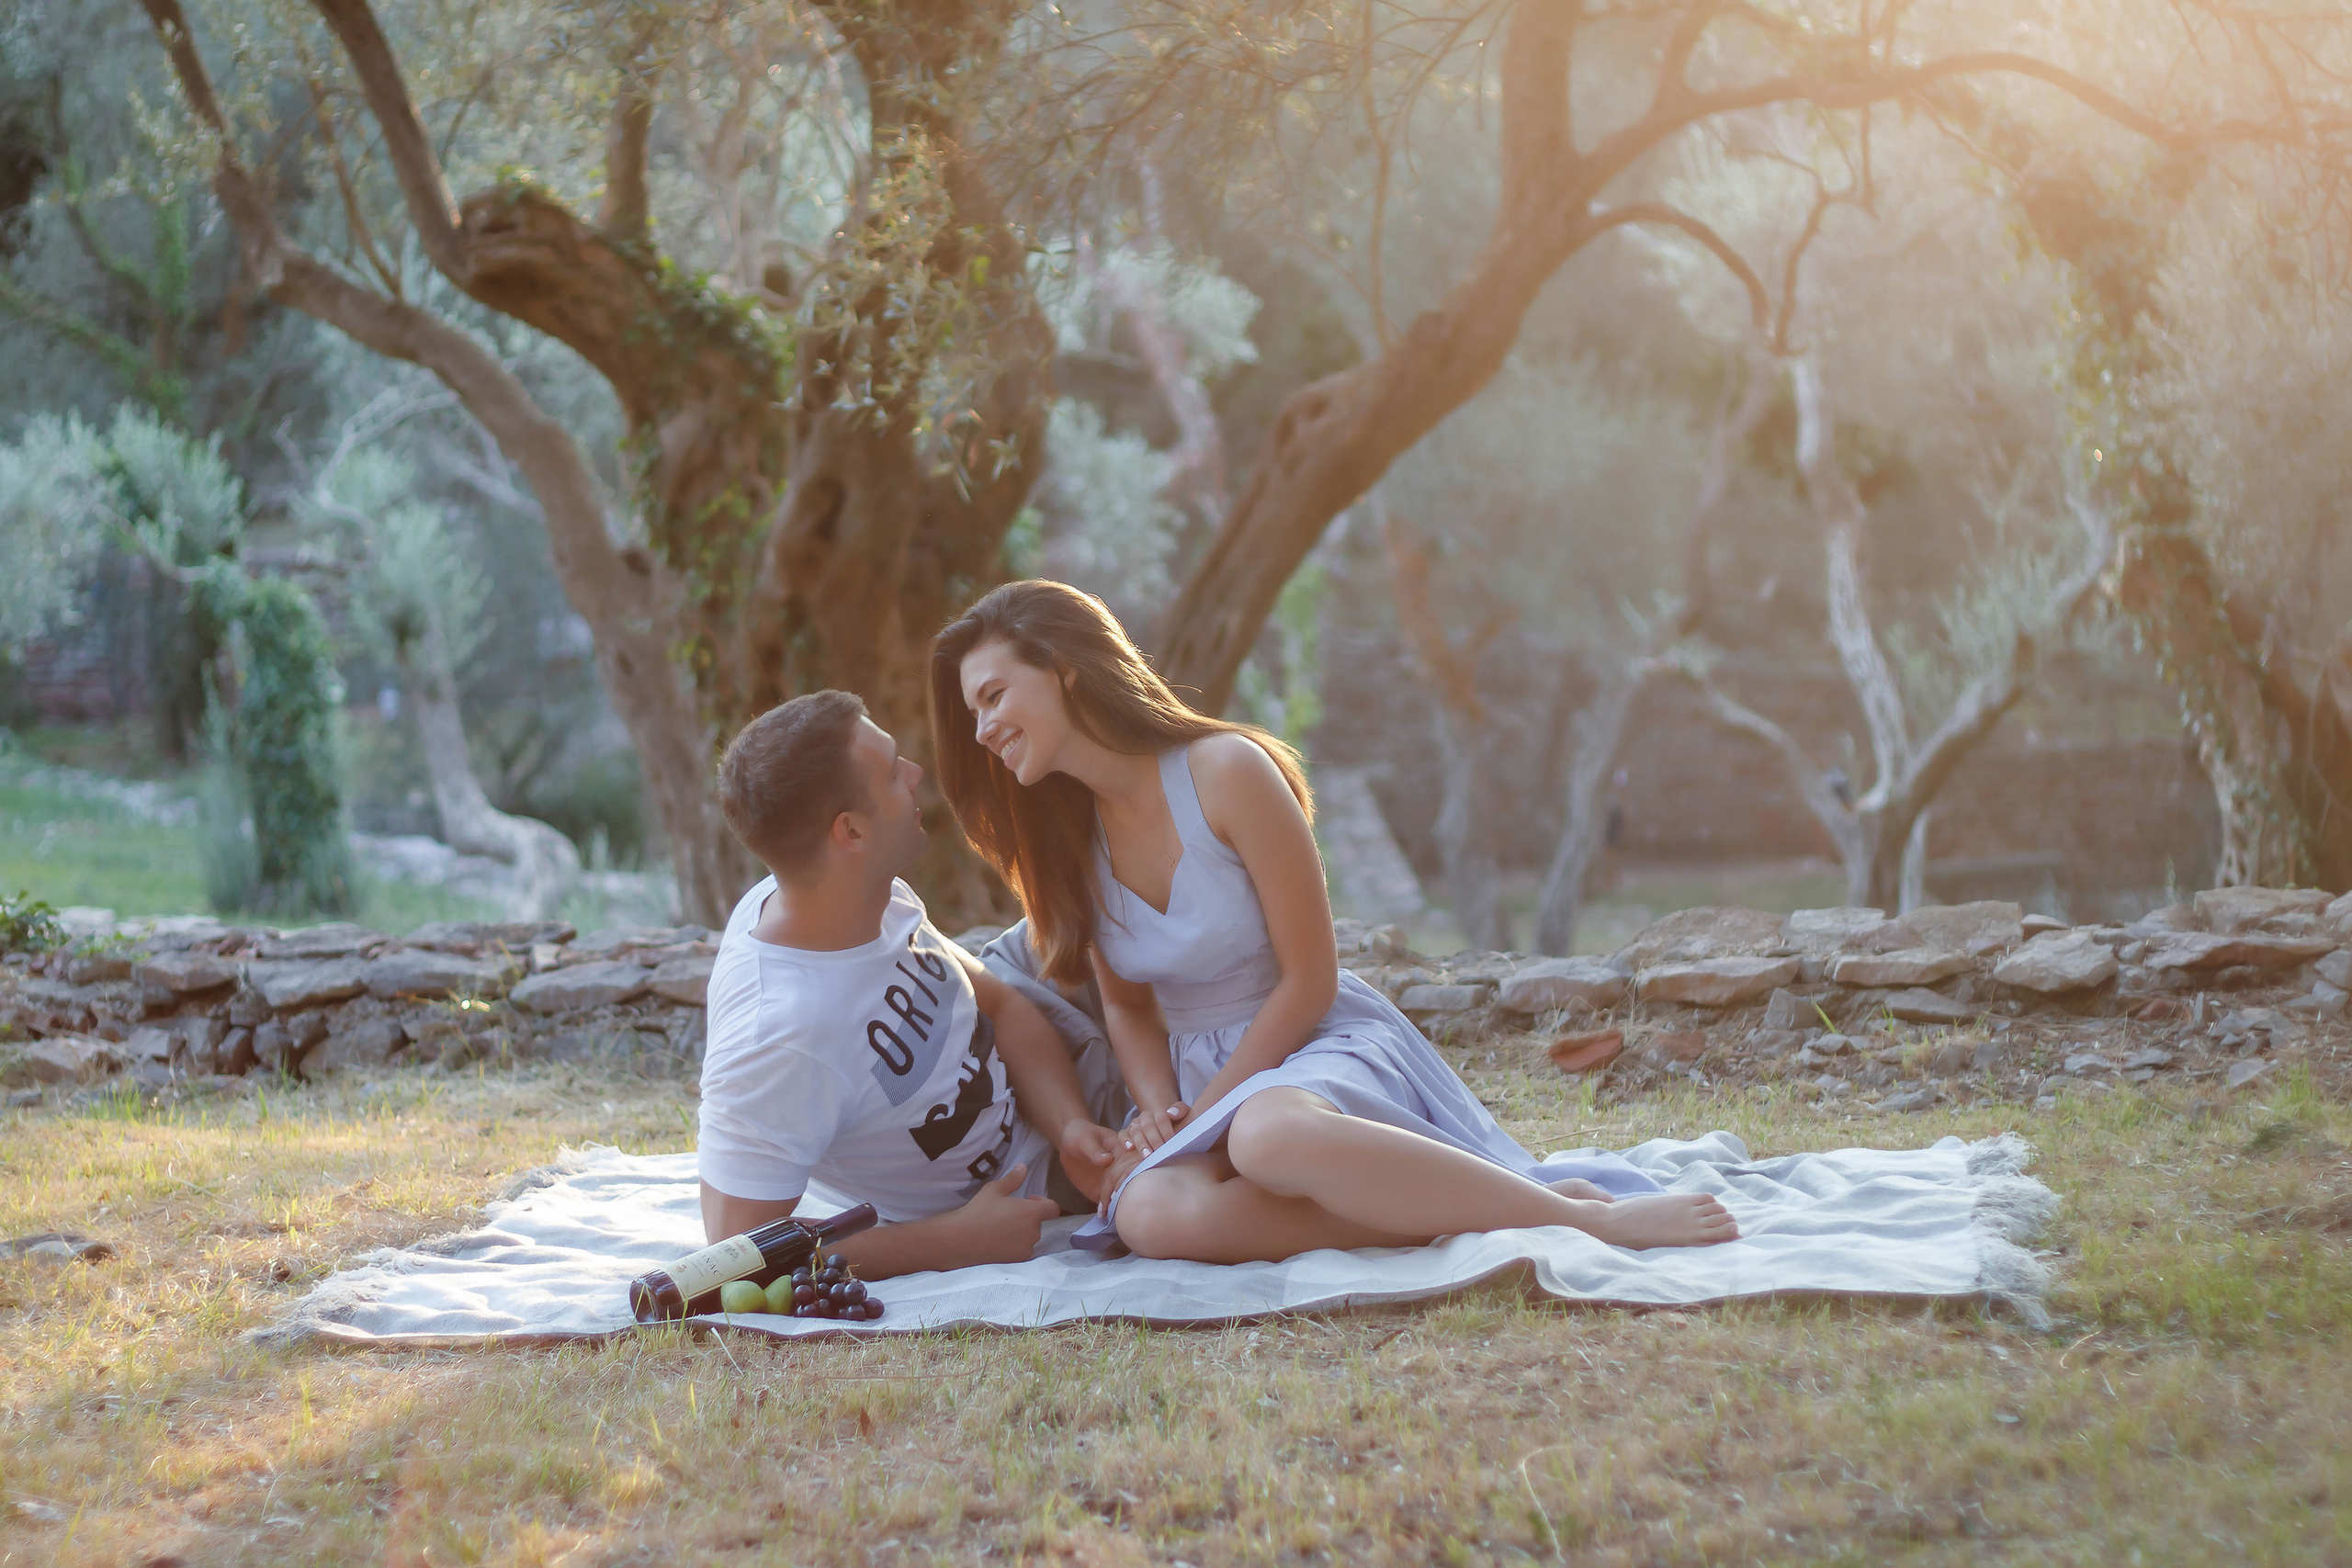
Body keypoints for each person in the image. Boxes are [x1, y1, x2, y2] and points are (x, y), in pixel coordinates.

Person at [930, 581, 1740, 1262]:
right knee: (1150, 1216)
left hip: (1311, 1041)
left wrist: (1216, 1098)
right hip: (1201, 1076)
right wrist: (1158, 1108)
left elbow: (1309, 979)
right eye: (973, 712)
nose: (983, 729)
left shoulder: (1225, 771)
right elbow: (1131, 1006)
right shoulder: (1069, 845)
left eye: (994, 695)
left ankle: (1584, 1219)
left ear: (1065, 670)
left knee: (1265, 1137)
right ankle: (1474, 1204)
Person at [695, 690, 1127, 1280]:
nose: (916, 774)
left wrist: (1070, 1124)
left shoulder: (860, 892)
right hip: (1036, 1173)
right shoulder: (779, 1037)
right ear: (850, 832)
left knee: (1142, 918)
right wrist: (951, 1241)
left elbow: (998, 1002)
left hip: (1052, 1072)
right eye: (895, 771)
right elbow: (732, 1259)